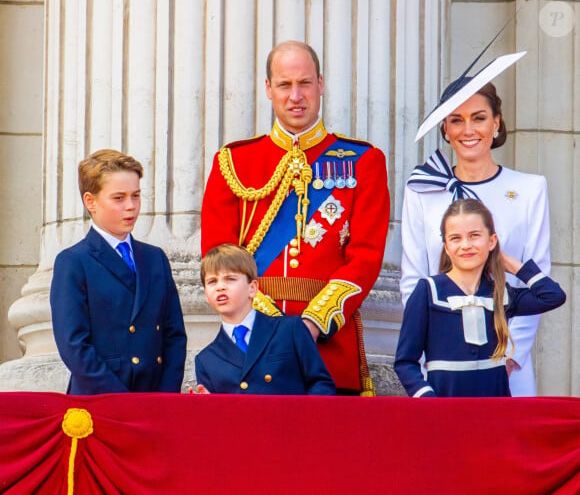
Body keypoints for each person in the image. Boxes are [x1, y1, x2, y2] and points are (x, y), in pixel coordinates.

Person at [201, 41, 389, 395]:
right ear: (269, 89)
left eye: (304, 83)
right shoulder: (233, 162)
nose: (296, 96)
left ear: (320, 84)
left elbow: (365, 257)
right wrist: (270, 327)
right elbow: (218, 255)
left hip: (330, 349)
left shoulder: (364, 161)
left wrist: (312, 324)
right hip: (253, 347)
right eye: (285, 85)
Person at [401, 52, 551, 396]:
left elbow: (538, 272)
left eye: (479, 118)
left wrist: (510, 356)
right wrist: (431, 356)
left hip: (506, 364)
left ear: (496, 123)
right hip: (443, 367)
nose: (468, 130)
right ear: (445, 128)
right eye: (456, 120)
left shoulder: (530, 189)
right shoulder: (422, 190)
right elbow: (413, 279)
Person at [50, 149, 187, 395]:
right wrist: (120, 401)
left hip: (153, 401)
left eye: (136, 196)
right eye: (119, 198)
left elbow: (174, 336)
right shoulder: (73, 261)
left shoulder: (155, 259)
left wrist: (165, 398)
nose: (131, 206)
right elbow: (74, 345)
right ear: (90, 201)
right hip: (100, 401)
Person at [395, 199, 565, 397]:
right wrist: (428, 400)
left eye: (475, 236)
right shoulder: (428, 291)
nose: (466, 245)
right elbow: (405, 362)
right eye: (456, 238)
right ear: (446, 247)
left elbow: (553, 296)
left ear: (492, 241)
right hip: (444, 406)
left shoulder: (500, 293)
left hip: (494, 409)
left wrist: (508, 262)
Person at [194, 244, 336, 395]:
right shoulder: (206, 360)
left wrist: (303, 417)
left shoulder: (290, 329)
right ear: (206, 295)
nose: (220, 287)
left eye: (230, 279)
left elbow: (321, 384)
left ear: (253, 288)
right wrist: (207, 407)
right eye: (212, 281)